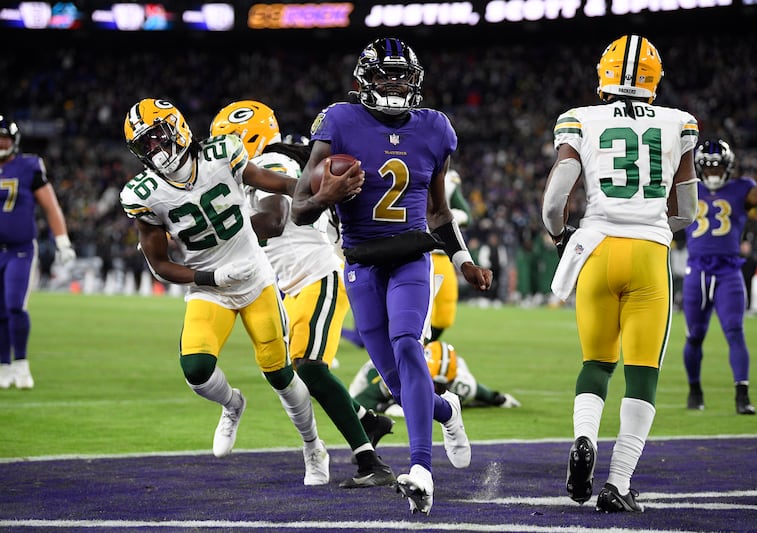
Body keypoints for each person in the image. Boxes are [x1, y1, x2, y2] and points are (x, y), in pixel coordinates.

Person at [291, 37, 493, 514]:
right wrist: (325, 196)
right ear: (364, 80)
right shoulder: (339, 121)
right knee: (399, 386)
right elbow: (299, 209)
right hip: (361, 261)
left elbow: (439, 212)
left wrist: (462, 260)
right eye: (386, 76)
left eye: (403, 77)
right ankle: (446, 410)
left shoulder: (435, 128)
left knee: (407, 345)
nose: (396, 85)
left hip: (410, 256)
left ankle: (421, 470)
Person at [119, 98, 328, 486]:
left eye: (159, 137)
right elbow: (160, 265)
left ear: (178, 128)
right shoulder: (142, 194)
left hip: (254, 277)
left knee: (280, 374)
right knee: (196, 371)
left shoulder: (221, 152)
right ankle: (232, 404)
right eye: (145, 145)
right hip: (209, 286)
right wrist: (211, 277)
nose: (156, 149)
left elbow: (276, 183)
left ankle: (313, 446)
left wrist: (314, 189)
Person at [542, 35, 699, 513]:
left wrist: (561, 235)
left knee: (595, 363)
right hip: (649, 255)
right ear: (654, 78)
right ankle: (618, 483)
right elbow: (687, 210)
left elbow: (555, 198)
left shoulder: (581, 118)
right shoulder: (678, 122)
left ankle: (585, 437)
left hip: (596, 250)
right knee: (643, 374)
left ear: (604, 75)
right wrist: (652, 225)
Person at [209, 99, 396, 488]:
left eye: (228, 141)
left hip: (316, 274)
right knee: (299, 372)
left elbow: (274, 219)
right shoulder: (252, 172)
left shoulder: (273, 160)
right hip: (292, 284)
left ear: (248, 137)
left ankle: (370, 463)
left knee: (309, 367)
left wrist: (217, 231)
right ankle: (367, 420)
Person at [683, 142, 757, 414]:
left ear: (729, 167)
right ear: (699, 167)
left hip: (728, 270)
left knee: (735, 331)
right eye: (709, 167)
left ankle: (742, 395)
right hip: (697, 269)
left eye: (718, 167)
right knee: (694, 336)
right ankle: (695, 390)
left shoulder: (741, 189)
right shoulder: (687, 188)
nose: (714, 172)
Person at [341, 167, 473, 346]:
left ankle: (420, 348)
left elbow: (466, 215)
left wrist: (446, 216)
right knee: (400, 316)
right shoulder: (386, 169)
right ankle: (408, 349)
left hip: (440, 252)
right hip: (407, 250)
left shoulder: (448, 179)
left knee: (444, 316)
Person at [0, 114, 76, 390]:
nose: (1, 143)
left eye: (4, 138)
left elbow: (50, 206)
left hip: (19, 249)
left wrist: (62, 241)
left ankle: (20, 363)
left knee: (15, 306)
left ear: (14, 140)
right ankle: (3, 366)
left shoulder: (27, 166)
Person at [348, 339, 521, 414]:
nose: (436, 389)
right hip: (376, 369)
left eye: (441, 385)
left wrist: (500, 399)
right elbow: (359, 399)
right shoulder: (400, 372)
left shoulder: (462, 383)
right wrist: (385, 407)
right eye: (433, 382)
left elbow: (484, 393)